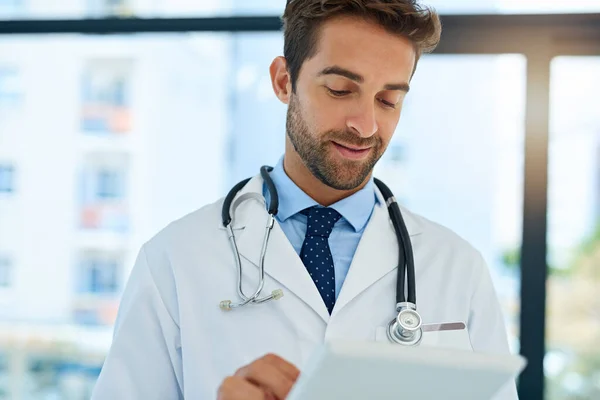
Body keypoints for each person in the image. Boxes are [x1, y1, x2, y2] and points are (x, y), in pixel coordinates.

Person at [91, 0, 519, 399]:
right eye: (339, 89)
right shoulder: (175, 259)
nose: (366, 125)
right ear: (283, 81)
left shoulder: (457, 269)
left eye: (389, 100)